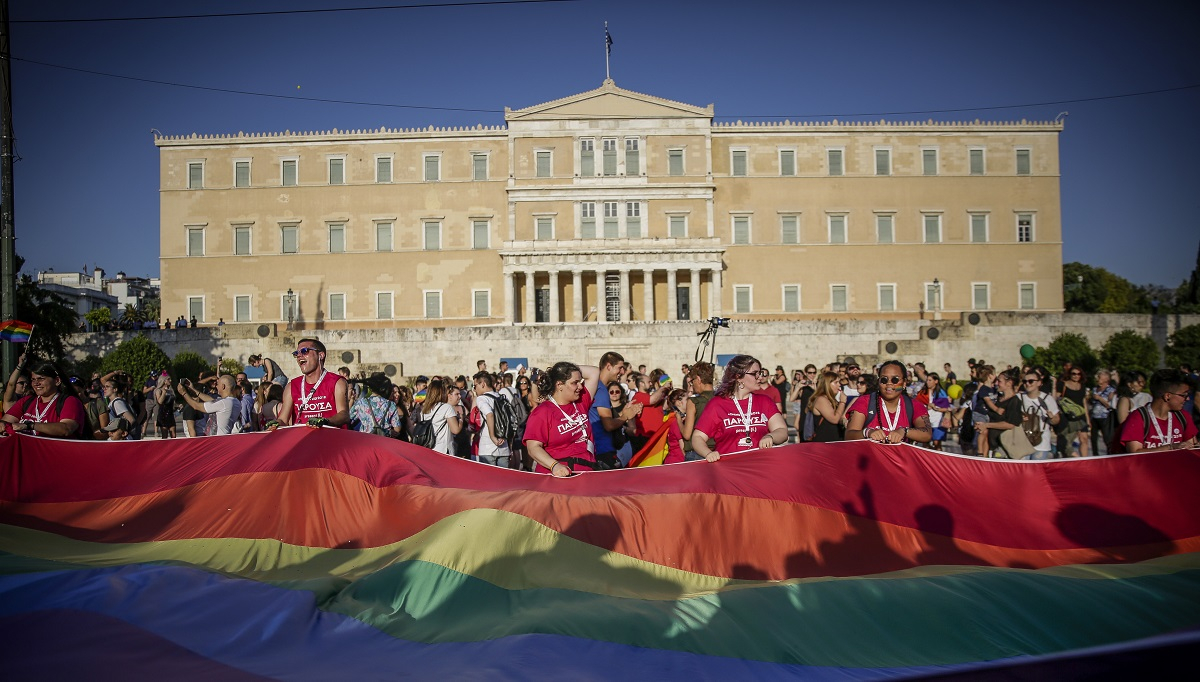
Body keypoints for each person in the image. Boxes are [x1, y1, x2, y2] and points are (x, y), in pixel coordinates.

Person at [690, 354, 788, 462]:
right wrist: (708, 453)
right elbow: (697, 438)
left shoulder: (765, 401)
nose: (760, 377)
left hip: (760, 466)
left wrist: (770, 437)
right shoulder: (717, 404)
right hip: (728, 469)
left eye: (760, 373)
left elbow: (782, 430)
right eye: (755, 374)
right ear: (738, 377)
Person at [523, 361, 602, 476]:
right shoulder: (542, 412)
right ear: (559, 385)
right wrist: (554, 465)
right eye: (575, 382)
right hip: (559, 476)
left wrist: (560, 370)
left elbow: (594, 372)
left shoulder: (580, 401)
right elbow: (533, 447)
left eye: (580, 382)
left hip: (586, 473)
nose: (580, 386)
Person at [845, 360, 933, 444]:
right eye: (884, 380)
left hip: (900, 459)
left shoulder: (914, 406)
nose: (889, 384)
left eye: (895, 380)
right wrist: (867, 432)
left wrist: (905, 431)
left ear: (904, 383)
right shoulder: (865, 402)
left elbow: (927, 434)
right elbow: (849, 435)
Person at [276, 338, 350, 429]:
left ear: (321, 355)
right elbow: (283, 419)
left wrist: (325, 421)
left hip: (331, 439)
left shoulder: (337, 382)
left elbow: (344, 414)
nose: (299, 356)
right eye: (296, 353)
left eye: (304, 351)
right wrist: (275, 424)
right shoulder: (291, 386)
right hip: (303, 440)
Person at [1117, 369, 1197, 452]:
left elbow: (1191, 446)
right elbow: (1134, 453)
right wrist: (1170, 447)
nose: (1187, 399)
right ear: (1167, 396)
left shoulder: (1182, 416)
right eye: (1184, 395)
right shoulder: (1139, 417)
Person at [2, 363, 87, 439]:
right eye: (33, 380)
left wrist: (29, 425)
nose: (36, 383)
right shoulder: (27, 401)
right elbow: (6, 422)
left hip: (57, 454)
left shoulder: (70, 401)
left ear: (57, 381)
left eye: (41, 379)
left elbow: (66, 429)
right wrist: (3, 425)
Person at [976, 368, 1025, 457]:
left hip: (1004, 448)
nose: (996, 383)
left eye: (999, 381)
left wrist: (987, 425)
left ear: (1009, 383)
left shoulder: (1014, 401)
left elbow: (1010, 424)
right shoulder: (998, 398)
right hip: (993, 445)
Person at [177, 374, 241, 435]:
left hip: (217, 440)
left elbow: (196, 406)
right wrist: (193, 389)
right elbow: (212, 400)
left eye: (218, 384)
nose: (216, 386)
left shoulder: (224, 403)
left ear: (223, 386)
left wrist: (184, 393)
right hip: (223, 438)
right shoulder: (234, 402)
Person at [471, 371, 511, 467]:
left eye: (475, 386)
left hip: (487, 447)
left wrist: (492, 436)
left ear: (483, 384)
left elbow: (489, 414)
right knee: (503, 480)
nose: (474, 389)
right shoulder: (502, 398)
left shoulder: (481, 399)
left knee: (488, 481)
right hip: (504, 447)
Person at [1019, 368, 1061, 459]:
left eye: (1031, 381)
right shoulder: (1018, 397)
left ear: (1039, 383)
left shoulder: (1047, 399)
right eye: (1025, 381)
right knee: (1023, 471)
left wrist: (1052, 417)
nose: (1027, 384)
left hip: (1041, 442)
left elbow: (1056, 420)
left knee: (1036, 471)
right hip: (1022, 442)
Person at [416, 378, 462, 455]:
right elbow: (455, 430)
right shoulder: (446, 407)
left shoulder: (424, 410)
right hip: (443, 450)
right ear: (442, 392)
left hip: (429, 449)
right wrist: (461, 418)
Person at [681, 362, 715, 461]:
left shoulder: (693, 402)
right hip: (715, 450)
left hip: (696, 452)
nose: (692, 385)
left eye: (692, 381)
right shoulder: (721, 399)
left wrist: (679, 420)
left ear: (698, 379)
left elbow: (687, 435)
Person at [1054, 365, 1091, 457]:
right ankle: (1070, 457)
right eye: (1073, 374)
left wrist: (1088, 419)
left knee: (1084, 439)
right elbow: (1056, 399)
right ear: (1069, 374)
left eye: (1078, 374)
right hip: (1068, 415)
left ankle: (1084, 460)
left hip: (1080, 414)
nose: (1076, 376)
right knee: (1067, 440)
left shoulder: (1082, 386)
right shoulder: (1063, 385)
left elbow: (1084, 403)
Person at [350, 372, 402, 438]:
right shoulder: (391, 404)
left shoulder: (362, 402)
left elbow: (349, 419)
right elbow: (397, 428)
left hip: (364, 441)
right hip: (384, 442)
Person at [806, 370, 847, 443]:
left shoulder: (831, 399)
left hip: (835, 440)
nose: (839, 385)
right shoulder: (821, 399)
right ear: (827, 384)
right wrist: (842, 402)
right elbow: (834, 419)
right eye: (836, 382)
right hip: (824, 442)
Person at [916, 372, 952, 450]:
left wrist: (936, 408)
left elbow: (947, 408)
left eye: (930, 380)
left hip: (938, 422)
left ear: (936, 381)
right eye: (927, 380)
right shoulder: (923, 392)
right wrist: (927, 406)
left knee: (937, 443)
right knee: (925, 443)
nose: (927, 382)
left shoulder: (941, 393)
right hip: (925, 421)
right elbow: (917, 405)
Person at [99, 372, 139, 440]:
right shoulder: (114, 402)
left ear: (115, 389)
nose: (104, 389)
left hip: (122, 438)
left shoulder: (117, 403)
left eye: (107, 387)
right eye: (104, 387)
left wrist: (121, 433)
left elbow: (131, 420)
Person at [1089, 369, 1117, 455]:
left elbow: (1110, 405)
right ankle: (1095, 455)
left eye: (1099, 377)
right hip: (1094, 416)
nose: (1097, 379)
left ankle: (1110, 454)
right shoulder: (1095, 389)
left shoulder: (1111, 390)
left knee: (1107, 438)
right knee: (1093, 438)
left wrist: (1099, 398)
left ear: (1106, 379)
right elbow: (1091, 403)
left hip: (1105, 416)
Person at [154, 372, 177, 438]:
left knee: (173, 435)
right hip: (163, 414)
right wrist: (164, 392)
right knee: (165, 435)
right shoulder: (159, 390)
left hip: (170, 414)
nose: (170, 381)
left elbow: (172, 402)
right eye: (168, 379)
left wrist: (177, 405)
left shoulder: (171, 390)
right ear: (164, 380)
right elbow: (160, 402)